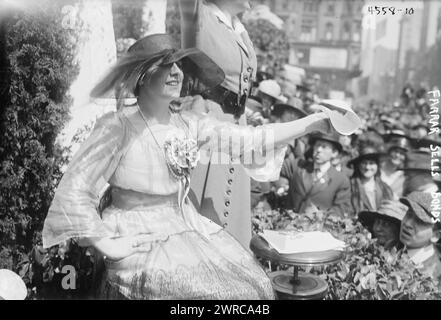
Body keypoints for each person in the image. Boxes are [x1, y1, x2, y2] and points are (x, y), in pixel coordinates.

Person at [42, 34, 333, 299]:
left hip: (185, 224)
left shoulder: (189, 124)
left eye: (179, 65)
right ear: (142, 75)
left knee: (253, 287)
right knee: (197, 294)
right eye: (166, 65)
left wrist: (310, 123)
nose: (177, 72)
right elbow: (75, 191)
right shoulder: (117, 127)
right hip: (136, 232)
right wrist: (106, 243)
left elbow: (251, 139)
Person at [179, 0, 259, 248]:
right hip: (205, 120)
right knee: (200, 212)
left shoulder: (238, 27)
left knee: (231, 217)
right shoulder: (198, 14)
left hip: (236, 124)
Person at [279, 131, 352, 217]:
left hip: (318, 227)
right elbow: (274, 167)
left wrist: (320, 215)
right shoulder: (297, 165)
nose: (319, 150)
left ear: (334, 153)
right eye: (317, 145)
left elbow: (341, 209)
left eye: (324, 147)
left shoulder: (341, 180)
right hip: (288, 225)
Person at [399, 192, 441, 282]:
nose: (407, 223)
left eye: (419, 221)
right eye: (409, 214)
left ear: (435, 236)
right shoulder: (394, 247)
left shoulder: (435, 277)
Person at [348, 145, 395, 214]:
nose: (367, 167)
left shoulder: (386, 189)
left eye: (371, 163)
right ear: (358, 165)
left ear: (377, 166)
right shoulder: (350, 186)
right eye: (364, 163)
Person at [380, 133, 411, 198]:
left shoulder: (404, 177)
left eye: (402, 153)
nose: (397, 155)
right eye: (395, 151)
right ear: (389, 152)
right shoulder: (377, 169)